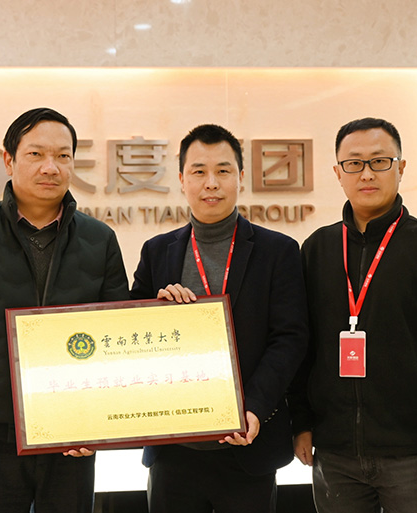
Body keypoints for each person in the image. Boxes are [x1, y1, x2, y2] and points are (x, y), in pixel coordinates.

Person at [0, 107, 129, 513]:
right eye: (36, 154)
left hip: (73, 435)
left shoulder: (99, 239)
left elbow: (115, 340)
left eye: (63, 156)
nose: (51, 167)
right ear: (9, 160)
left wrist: (101, 423)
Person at [288, 117, 417, 513]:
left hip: (414, 453)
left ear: (401, 167)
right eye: (354, 163)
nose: (367, 173)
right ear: (338, 173)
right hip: (335, 453)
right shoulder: (317, 249)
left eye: (379, 161)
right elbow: (302, 349)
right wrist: (301, 423)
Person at [129, 124, 308, 513]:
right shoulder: (157, 252)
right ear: (182, 180)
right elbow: (130, 337)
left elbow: (290, 339)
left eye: (223, 171)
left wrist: (254, 407)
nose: (211, 182)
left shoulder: (277, 251)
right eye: (199, 171)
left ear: (240, 177)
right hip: (173, 450)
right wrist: (154, 311)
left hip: (247, 443)